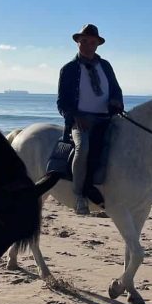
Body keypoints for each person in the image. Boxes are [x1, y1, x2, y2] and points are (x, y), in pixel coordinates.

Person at [56, 24, 124, 215]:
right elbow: (62, 102)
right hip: (81, 121)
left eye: (92, 42)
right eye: (84, 41)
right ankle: (79, 195)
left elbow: (116, 90)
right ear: (78, 42)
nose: (88, 45)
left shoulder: (106, 66)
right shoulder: (69, 69)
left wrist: (116, 102)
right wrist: (75, 117)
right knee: (83, 148)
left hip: (106, 118)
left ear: (97, 45)